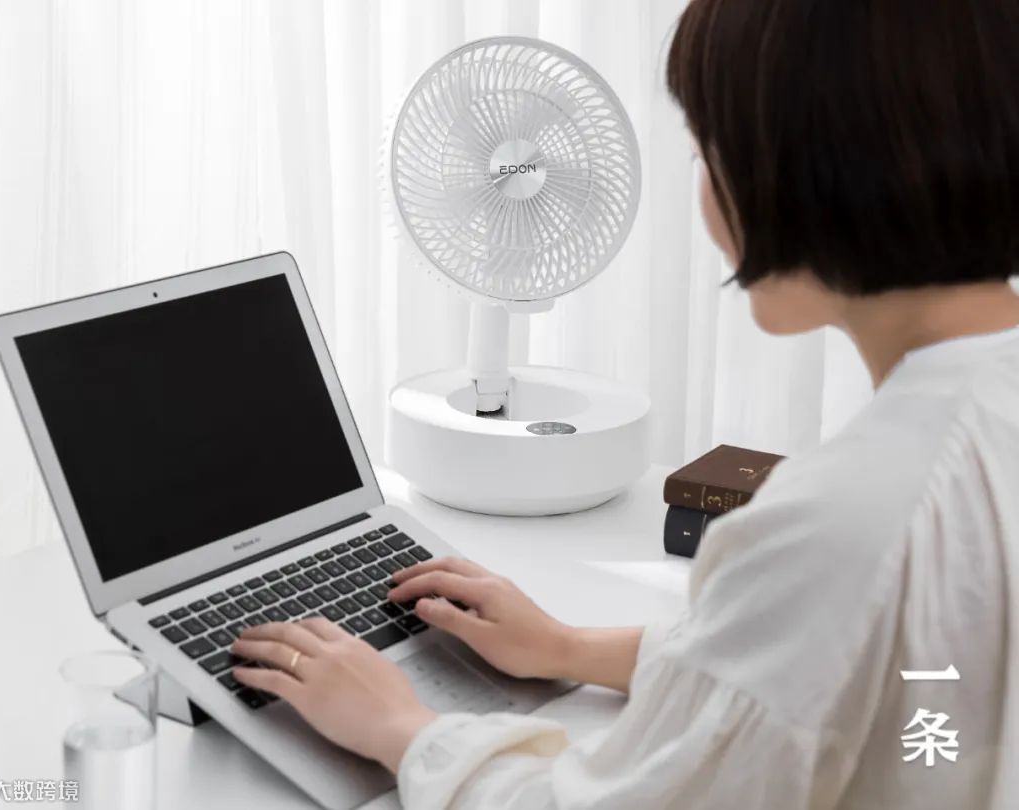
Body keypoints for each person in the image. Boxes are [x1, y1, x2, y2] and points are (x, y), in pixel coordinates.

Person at [229, 0, 1019, 807]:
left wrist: (400, 729)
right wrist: (568, 646)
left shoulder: (841, 525)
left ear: (802, 170)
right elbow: (847, 670)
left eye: (707, 153)